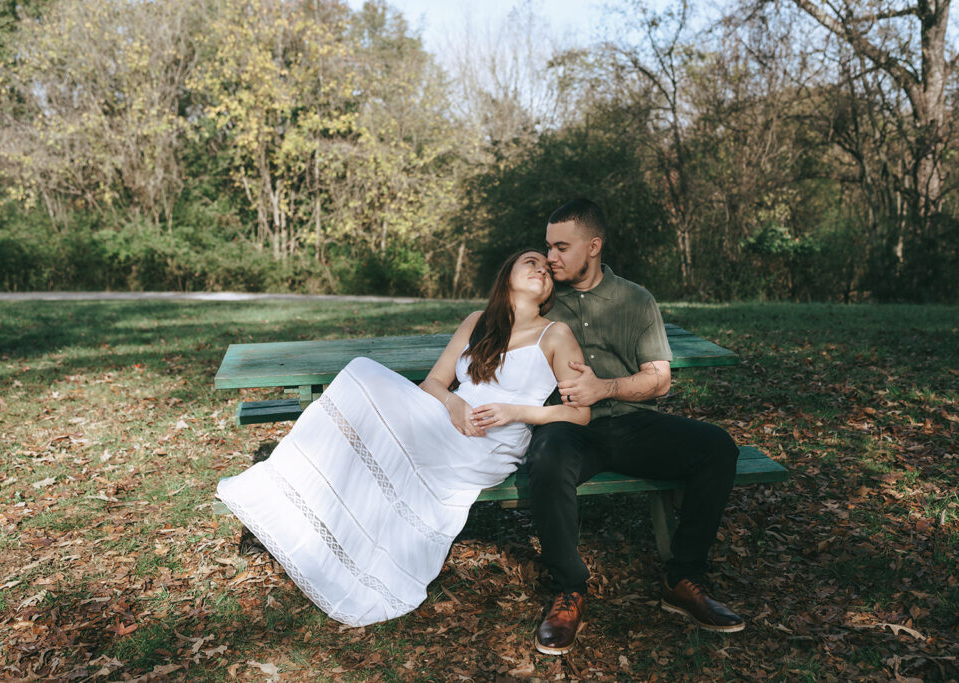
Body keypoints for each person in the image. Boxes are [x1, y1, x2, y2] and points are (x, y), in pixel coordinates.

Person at [217, 249, 589, 627]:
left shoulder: (555, 334)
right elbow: (432, 383)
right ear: (506, 273)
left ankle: (320, 520)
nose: (541, 269)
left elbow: (580, 412)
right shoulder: (478, 322)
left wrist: (517, 412)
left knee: (367, 391)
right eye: (531, 262)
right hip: (446, 419)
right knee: (362, 376)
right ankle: (297, 510)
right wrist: (453, 403)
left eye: (546, 269)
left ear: (549, 293)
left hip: (493, 442)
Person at [528, 199, 744, 656]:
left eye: (561, 247)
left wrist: (603, 388)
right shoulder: (541, 298)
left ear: (593, 246)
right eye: (548, 246)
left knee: (717, 448)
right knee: (546, 458)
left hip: (630, 425)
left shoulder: (635, 299)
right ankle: (570, 590)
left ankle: (683, 578)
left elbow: (659, 380)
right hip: (567, 427)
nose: (551, 257)